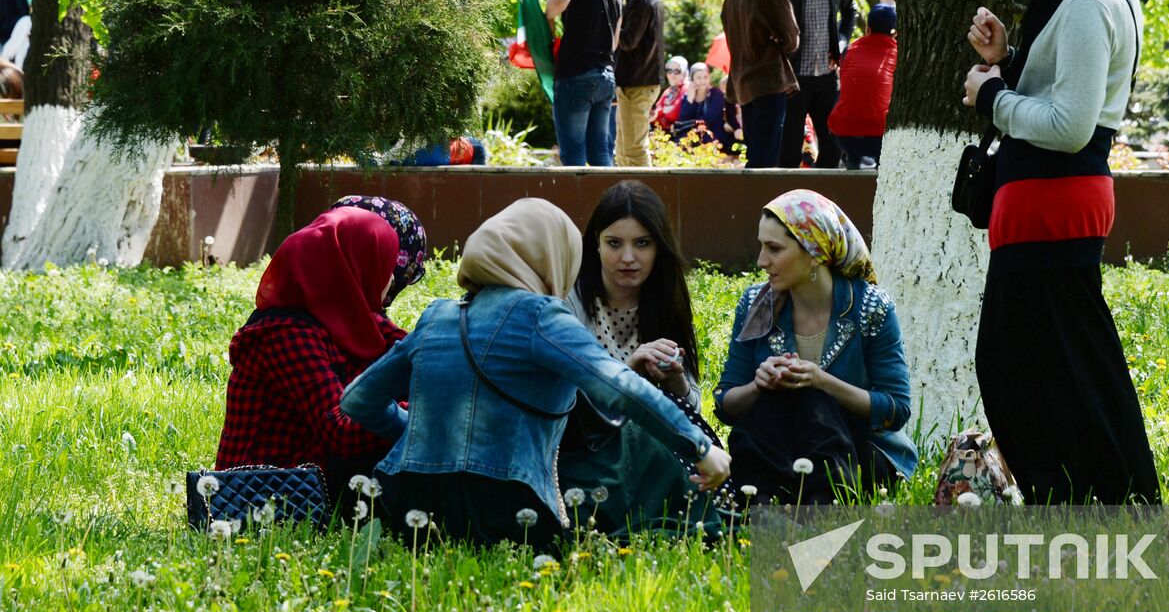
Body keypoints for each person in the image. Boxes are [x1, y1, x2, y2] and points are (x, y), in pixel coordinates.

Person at [340, 198, 731, 549]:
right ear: (552, 256)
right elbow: (618, 387)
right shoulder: (542, 316)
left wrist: (422, 430)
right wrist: (698, 447)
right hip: (507, 506)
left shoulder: (436, 316)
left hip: (408, 503)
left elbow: (357, 401)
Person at [962, 0, 1160, 505]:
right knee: (1070, 359)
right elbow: (1071, 92)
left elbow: (1071, 124)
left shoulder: (1084, 3)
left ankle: (1076, 495)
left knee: (1014, 363)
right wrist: (1010, 63)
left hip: (1053, 197)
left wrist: (992, 95)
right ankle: (1110, 495)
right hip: (1056, 198)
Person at [715, 190, 918, 504]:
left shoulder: (870, 306)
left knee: (813, 399)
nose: (761, 261)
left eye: (774, 248)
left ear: (814, 253)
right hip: (781, 452)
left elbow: (896, 409)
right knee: (770, 404)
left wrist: (822, 381)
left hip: (858, 458)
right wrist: (758, 384)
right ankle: (759, 508)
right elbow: (725, 404)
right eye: (761, 246)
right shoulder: (757, 305)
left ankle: (817, 506)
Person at [557, 182, 734, 535]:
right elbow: (561, 402)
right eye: (614, 243)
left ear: (659, 247)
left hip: (656, 441)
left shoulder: (665, 298)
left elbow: (691, 407)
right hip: (586, 447)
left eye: (642, 243)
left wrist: (675, 381)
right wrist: (626, 377)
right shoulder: (568, 301)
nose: (628, 258)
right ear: (594, 242)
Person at [216, 204, 423, 504]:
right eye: (384, 264)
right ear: (353, 267)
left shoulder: (347, 315)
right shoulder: (284, 335)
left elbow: (416, 353)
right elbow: (340, 431)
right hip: (264, 496)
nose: (390, 279)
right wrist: (425, 412)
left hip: (317, 476)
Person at [780, 0, 857, 169]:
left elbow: (850, 10)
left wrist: (842, 44)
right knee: (790, 144)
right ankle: (789, 201)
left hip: (827, 74)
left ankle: (819, 196)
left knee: (833, 142)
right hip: (794, 76)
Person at [720, 0, 801, 168]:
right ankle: (759, 204)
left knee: (755, 153)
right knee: (765, 158)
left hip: (743, 82)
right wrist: (779, 39)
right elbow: (792, 38)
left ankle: (749, 202)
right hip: (768, 81)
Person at [545, 0, 624, 166]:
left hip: (576, 72)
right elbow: (616, 39)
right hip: (606, 75)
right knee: (601, 152)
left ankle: (575, 205)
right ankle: (608, 204)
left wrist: (548, 15)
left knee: (574, 154)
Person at [613, 0, 665, 167]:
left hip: (638, 84)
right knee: (624, 151)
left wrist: (611, 15)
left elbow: (626, 41)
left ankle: (642, 200)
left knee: (633, 151)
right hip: (634, 83)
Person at [827, 4, 898, 169]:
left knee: (845, 96)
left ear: (868, 28)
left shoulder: (850, 51)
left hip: (843, 134)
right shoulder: (897, 54)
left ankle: (852, 162)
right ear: (894, 32)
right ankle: (883, 168)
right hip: (880, 136)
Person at [675, 63, 729, 147]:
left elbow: (709, 118)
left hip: (712, 133)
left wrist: (691, 124)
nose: (703, 81)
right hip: (692, 134)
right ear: (692, 79)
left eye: (705, 77)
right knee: (679, 143)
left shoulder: (716, 94)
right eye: (698, 78)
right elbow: (682, 119)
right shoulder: (688, 95)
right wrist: (690, 99)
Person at [651, 56, 688, 134]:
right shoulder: (669, 90)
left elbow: (673, 115)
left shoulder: (686, 88)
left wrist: (662, 112)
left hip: (680, 135)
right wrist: (663, 111)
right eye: (669, 71)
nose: (672, 75)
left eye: (677, 71)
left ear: (684, 72)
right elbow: (655, 113)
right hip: (663, 133)